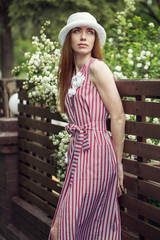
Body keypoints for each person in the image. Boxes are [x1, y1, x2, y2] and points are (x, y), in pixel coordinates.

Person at [49, 12, 126, 240]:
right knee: (75, 228)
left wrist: (118, 164)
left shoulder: (97, 68)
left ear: (95, 39)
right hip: (78, 152)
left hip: (97, 154)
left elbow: (118, 116)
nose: (83, 37)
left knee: (63, 227)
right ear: (69, 39)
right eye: (77, 31)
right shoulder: (71, 74)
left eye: (89, 32)